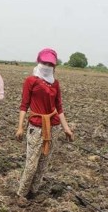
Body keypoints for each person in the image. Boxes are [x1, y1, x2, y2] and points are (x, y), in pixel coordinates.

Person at [15, 48, 74, 203]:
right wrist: (20, 127)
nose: (47, 66)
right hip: (36, 126)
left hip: (53, 126)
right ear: (38, 62)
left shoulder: (55, 84)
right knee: (32, 163)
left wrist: (66, 128)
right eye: (44, 62)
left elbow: (59, 108)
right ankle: (22, 194)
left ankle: (33, 191)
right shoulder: (31, 81)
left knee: (43, 162)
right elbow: (24, 105)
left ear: (54, 66)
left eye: (50, 64)